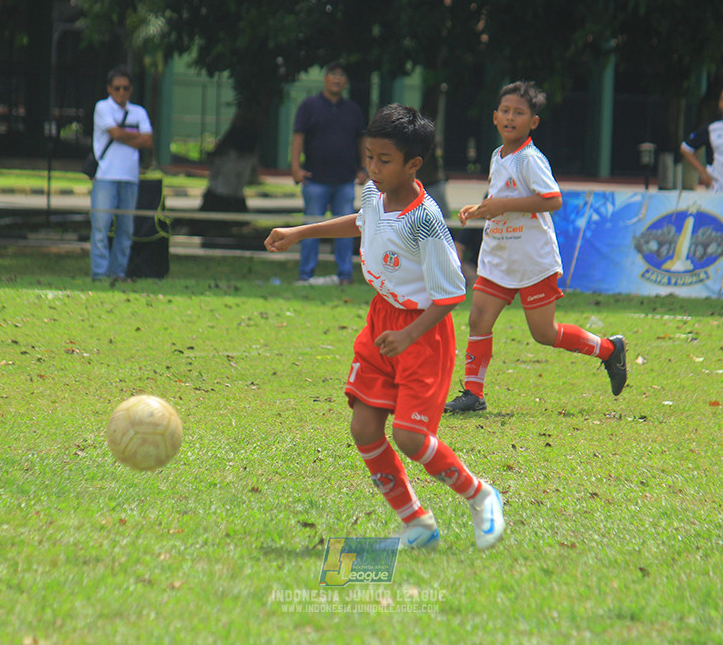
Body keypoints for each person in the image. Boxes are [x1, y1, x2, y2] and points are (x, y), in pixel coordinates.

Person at [265, 104, 505, 551]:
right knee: (364, 427)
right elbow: (363, 224)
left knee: (410, 436)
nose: (373, 168)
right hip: (382, 322)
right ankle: (417, 523)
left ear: (413, 165)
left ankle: (480, 494)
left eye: (384, 160)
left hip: (422, 333)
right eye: (369, 156)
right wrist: (300, 232)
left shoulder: (425, 220)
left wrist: (410, 335)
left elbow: (452, 294)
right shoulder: (374, 192)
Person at [445, 81, 627, 413]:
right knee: (478, 319)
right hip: (499, 256)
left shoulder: (530, 158)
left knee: (544, 333)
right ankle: (473, 393)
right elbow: (503, 197)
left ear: (534, 122)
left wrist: (502, 206)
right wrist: (480, 208)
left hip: (532, 259)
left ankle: (608, 350)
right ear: (495, 117)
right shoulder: (497, 156)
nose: (510, 117)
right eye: (505, 111)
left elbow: (553, 199)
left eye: (519, 113)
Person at [290, 62, 367, 286]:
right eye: (333, 74)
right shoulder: (309, 106)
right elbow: (298, 137)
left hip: (345, 181)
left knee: (346, 229)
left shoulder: (353, 109)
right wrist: (295, 168)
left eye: (341, 75)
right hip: (315, 180)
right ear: (325, 78)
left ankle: (345, 275)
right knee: (310, 228)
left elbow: (362, 140)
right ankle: (305, 275)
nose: (337, 79)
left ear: (346, 82)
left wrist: (364, 168)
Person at [89, 66, 153, 281]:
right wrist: (135, 137)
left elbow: (148, 140)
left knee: (125, 230)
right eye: (117, 88)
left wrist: (123, 136)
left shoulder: (139, 112)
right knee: (101, 227)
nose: (121, 92)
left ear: (131, 89)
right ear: (109, 88)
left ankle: (117, 272)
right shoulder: (102, 107)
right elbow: (115, 134)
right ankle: (99, 273)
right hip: (105, 177)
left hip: (130, 177)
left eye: (125, 88)